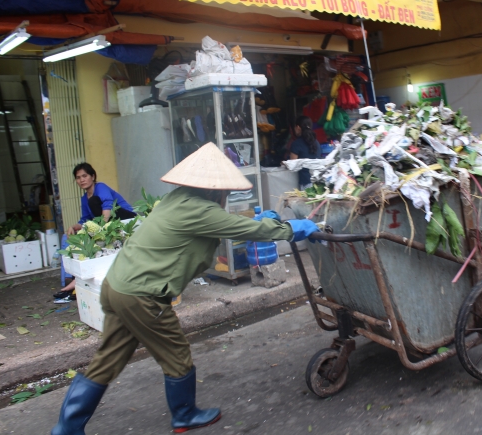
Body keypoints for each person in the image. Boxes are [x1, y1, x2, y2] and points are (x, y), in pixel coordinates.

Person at [50, 143, 319, 435]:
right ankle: (184, 415)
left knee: (108, 359)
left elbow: (224, 225)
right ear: (217, 190)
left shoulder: (176, 199)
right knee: (176, 353)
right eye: (225, 192)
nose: (225, 197)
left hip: (117, 286)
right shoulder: (203, 211)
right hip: (143, 296)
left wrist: (257, 220)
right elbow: (242, 230)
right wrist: (291, 229)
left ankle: (67, 427)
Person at [53, 163, 136, 303]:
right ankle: (75, 281)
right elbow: (85, 219)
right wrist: (72, 227)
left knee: (94, 203)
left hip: (125, 218)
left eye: (85, 176)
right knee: (74, 240)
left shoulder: (100, 187)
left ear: (92, 176)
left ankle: (75, 285)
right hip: (107, 222)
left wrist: (102, 228)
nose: (81, 180)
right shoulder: (84, 198)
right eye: (78, 178)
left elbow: (108, 204)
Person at [289, 115, 321, 189]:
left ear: (298, 128)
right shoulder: (317, 142)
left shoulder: (296, 144)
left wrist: (285, 163)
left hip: (306, 182)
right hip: (317, 180)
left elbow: (293, 165)